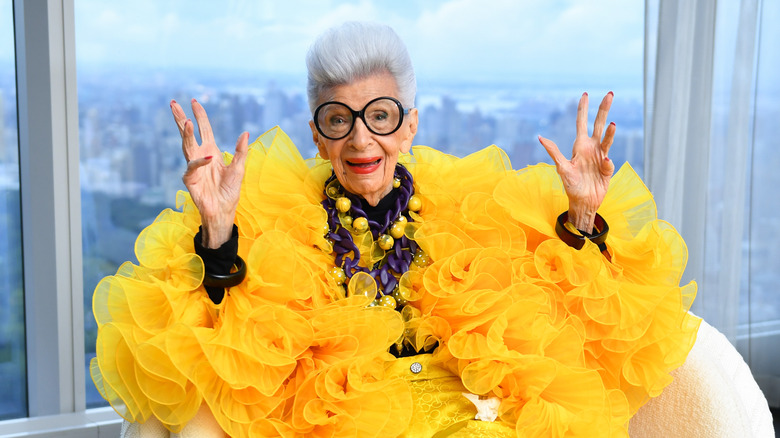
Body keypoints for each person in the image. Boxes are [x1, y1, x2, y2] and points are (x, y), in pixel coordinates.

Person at [91, 22, 700, 437]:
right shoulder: (279, 215)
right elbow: (222, 329)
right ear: (317, 134)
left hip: (466, 412)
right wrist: (220, 230)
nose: (361, 140)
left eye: (379, 117)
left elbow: (557, 301)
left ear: (408, 126)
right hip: (346, 417)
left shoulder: (467, 203)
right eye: (339, 119)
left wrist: (584, 218)